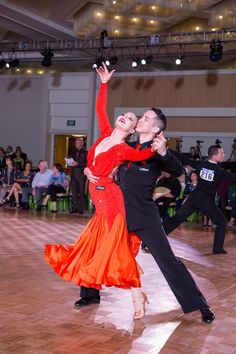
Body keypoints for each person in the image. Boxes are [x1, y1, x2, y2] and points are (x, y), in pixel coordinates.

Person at [78, 95, 215, 324]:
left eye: (146, 118)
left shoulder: (157, 152)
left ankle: (200, 305)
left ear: (155, 128)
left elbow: (177, 168)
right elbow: (101, 163)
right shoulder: (125, 146)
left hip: (145, 216)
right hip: (118, 212)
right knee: (95, 250)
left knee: (168, 260)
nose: (141, 119)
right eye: (141, 116)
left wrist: (163, 151)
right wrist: (87, 171)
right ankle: (90, 294)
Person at [45, 63, 155, 319]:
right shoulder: (105, 134)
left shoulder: (123, 149)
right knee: (96, 249)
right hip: (99, 198)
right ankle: (112, 293)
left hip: (110, 201)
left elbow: (144, 154)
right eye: (124, 115)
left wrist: (156, 145)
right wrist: (104, 84)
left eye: (129, 119)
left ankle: (137, 296)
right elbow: (99, 109)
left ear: (130, 130)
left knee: (113, 250)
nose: (124, 118)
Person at [163, 145, 236, 254]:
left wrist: (167, 150)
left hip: (194, 198)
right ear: (215, 156)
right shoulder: (219, 172)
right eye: (221, 153)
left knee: (176, 219)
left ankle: (150, 241)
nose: (224, 155)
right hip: (206, 201)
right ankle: (217, 249)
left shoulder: (201, 165)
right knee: (222, 222)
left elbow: (184, 159)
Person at [69, 138, 88, 214]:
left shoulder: (86, 153)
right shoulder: (73, 152)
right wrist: (69, 162)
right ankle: (74, 208)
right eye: (76, 142)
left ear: (82, 143)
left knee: (81, 192)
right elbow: (71, 161)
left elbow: (87, 164)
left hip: (81, 175)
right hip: (73, 175)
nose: (76, 144)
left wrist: (78, 164)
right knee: (74, 193)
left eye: (78, 142)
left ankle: (81, 209)